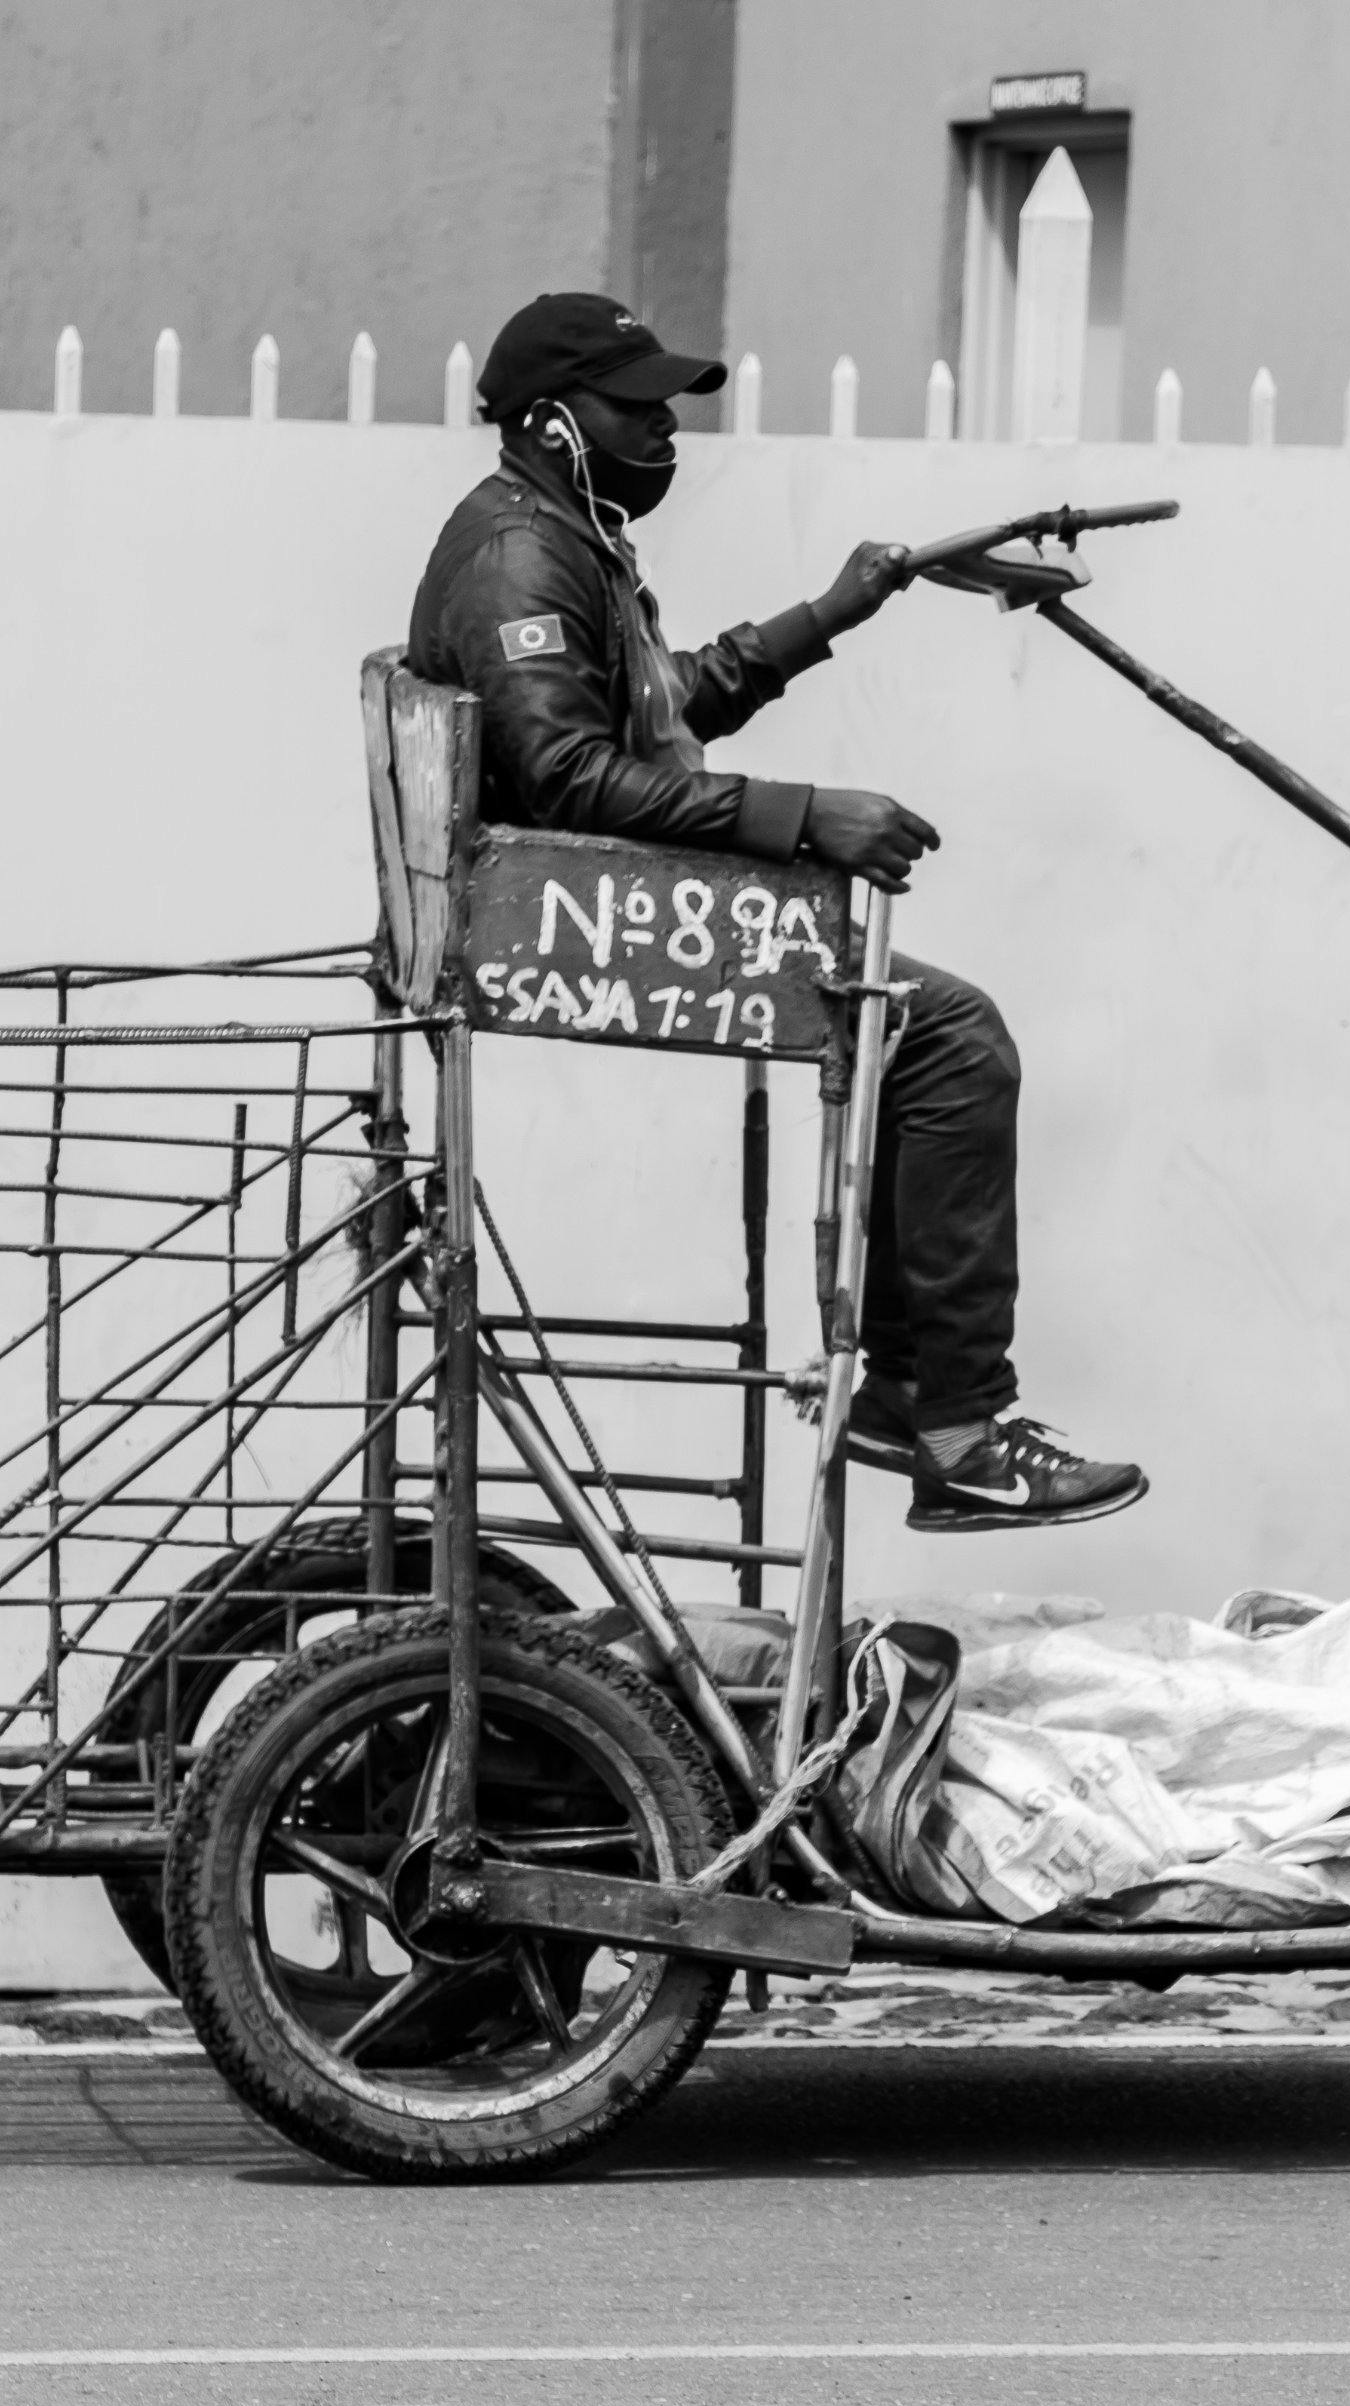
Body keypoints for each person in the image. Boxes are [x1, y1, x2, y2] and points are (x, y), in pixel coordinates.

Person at [406, 291, 1144, 1535]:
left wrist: (835, 609)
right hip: (559, 917)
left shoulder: (563, 531)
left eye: (667, 409)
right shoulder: (519, 558)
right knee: (952, 1039)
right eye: (633, 409)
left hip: (596, 894)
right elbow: (565, 775)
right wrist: (810, 817)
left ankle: (911, 1394)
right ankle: (955, 1424)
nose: (664, 434)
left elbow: (657, 711)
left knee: (926, 1035)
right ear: (549, 421)